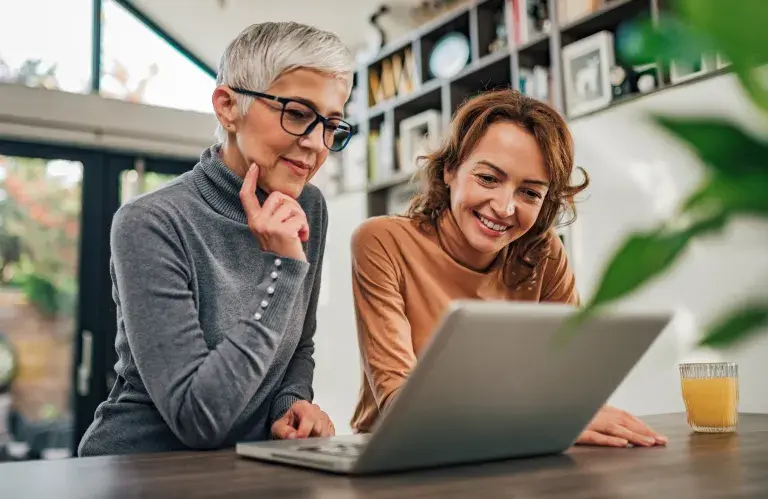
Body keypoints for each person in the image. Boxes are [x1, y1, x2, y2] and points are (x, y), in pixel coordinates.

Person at [78, 21, 355, 456]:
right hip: (140, 467)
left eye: (331, 124)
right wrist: (283, 270)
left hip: (244, 467)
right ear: (227, 107)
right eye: (298, 114)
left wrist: (291, 403)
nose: (316, 144)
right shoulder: (150, 222)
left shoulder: (308, 206)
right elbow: (198, 419)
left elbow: (298, 345)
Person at [349, 89, 668, 448]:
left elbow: (571, 385)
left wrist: (573, 416)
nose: (504, 208)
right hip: (398, 455)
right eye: (488, 178)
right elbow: (400, 405)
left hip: (515, 447)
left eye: (529, 193)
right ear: (450, 170)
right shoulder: (382, 241)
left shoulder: (543, 252)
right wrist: (550, 419)